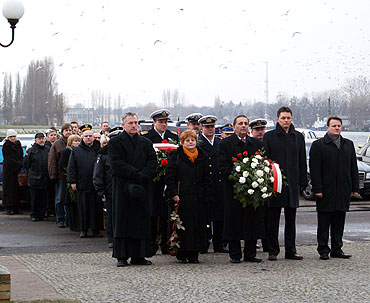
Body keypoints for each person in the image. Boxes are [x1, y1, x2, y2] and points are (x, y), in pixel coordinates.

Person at [108, 112, 157, 267]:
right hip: (123, 187)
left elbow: (152, 162)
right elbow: (116, 163)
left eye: (136, 122)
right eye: (130, 123)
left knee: (141, 221)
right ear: (124, 125)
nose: (134, 126)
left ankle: (139, 255)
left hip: (141, 186)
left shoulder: (145, 142)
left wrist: (143, 175)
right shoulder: (115, 142)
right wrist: (135, 173)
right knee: (122, 221)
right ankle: (122, 255)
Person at [309, 116, 359, 260]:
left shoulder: (348, 144)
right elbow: (315, 169)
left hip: (343, 190)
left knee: (339, 221)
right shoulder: (318, 145)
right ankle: (323, 249)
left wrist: (355, 187)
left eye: (339, 126)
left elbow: (353, 168)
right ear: (328, 127)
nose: (337, 128)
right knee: (324, 222)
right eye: (334, 126)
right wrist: (317, 189)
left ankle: (337, 249)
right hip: (325, 190)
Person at [218, 115, 266, 263]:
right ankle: (235, 254)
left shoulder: (255, 144)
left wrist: (255, 180)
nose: (243, 126)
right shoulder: (225, 144)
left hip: (252, 190)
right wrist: (238, 178)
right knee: (234, 221)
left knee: (252, 221)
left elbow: (262, 164)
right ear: (234, 127)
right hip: (233, 189)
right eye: (240, 123)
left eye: (245, 123)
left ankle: (250, 254)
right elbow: (223, 165)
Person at [263, 107, 307, 261]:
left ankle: (291, 250)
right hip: (275, 183)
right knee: (273, 220)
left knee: (291, 219)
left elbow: (302, 161)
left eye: (288, 118)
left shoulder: (298, 137)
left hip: (293, 184)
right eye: (283, 118)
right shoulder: (269, 137)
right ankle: (273, 250)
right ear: (277, 119)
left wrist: (303, 182)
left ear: (292, 118)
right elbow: (265, 160)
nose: (286, 121)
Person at [165, 129, 211, 263]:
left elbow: (207, 177)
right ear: (182, 142)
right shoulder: (176, 156)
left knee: (197, 226)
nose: (190, 143)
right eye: (187, 140)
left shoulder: (202, 156)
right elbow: (170, 176)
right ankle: (182, 252)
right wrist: (173, 193)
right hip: (182, 197)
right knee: (183, 226)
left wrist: (207, 194)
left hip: (198, 197)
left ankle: (194, 253)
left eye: (192, 140)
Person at [141, 109, 179, 255]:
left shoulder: (172, 137)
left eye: (165, 122)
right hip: (153, 180)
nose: (164, 124)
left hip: (168, 180)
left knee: (166, 213)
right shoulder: (147, 137)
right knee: (152, 212)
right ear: (154, 123)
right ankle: (151, 243)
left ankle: (165, 243)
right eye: (161, 122)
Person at [198, 115, 228, 253]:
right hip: (204, 184)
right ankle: (203, 243)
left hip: (218, 183)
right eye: (207, 127)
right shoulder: (198, 143)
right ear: (202, 128)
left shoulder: (219, 143)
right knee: (205, 216)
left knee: (219, 215)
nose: (210, 130)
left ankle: (219, 243)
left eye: (212, 127)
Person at [68, 124, 103, 238]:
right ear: (82, 137)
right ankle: (83, 229)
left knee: (96, 208)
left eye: (90, 136)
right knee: (83, 208)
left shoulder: (98, 150)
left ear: (93, 137)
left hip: (96, 185)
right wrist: (72, 181)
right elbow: (71, 167)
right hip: (82, 184)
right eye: (86, 136)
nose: (88, 138)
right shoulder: (76, 151)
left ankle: (96, 229)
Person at [48, 123, 73, 228]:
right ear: (62, 132)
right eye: (66, 130)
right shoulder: (57, 144)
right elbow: (52, 160)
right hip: (61, 176)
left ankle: (70, 219)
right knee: (60, 199)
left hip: (72, 176)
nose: (68, 132)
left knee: (70, 199)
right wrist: (54, 175)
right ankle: (60, 219)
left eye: (70, 130)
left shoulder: (75, 141)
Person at [249, 118, 268, 251]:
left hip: (266, 184)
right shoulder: (250, 144)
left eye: (262, 129)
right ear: (252, 131)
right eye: (257, 130)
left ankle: (267, 243)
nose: (260, 132)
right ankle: (253, 241)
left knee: (267, 216)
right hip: (252, 185)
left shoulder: (268, 143)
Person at [23, 133, 50, 222]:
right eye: (39, 139)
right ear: (35, 140)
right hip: (34, 178)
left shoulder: (48, 149)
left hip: (45, 178)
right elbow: (26, 164)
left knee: (44, 198)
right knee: (34, 198)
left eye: (43, 138)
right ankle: (34, 214)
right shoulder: (31, 151)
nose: (41, 140)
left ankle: (43, 214)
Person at [93, 134, 114, 248]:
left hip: (121, 191)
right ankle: (111, 238)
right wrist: (100, 190)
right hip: (109, 190)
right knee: (111, 216)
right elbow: (98, 174)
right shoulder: (103, 155)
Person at [58, 134, 81, 232]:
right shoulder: (66, 152)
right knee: (70, 202)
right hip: (69, 180)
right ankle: (71, 222)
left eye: (78, 141)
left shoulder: (80, 152)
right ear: (70, 143)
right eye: (75, 141)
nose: (77, 143)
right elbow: (61, 165)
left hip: (78, 179)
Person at [2, 129, 23, 215]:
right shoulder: (6, 146)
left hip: (17, 171)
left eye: (14, 136)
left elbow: (21, 155)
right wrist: (18, 164)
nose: (13, 138)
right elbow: (8, 159)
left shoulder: (18, 145)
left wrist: (20, 164)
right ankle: (8, 207)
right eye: (11, 137)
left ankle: (16, 207)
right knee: (9, 190)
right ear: (8, 137)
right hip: (9, 171)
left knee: (17, 190)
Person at [45, 128, 58, 217]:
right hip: (47, 174)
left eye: (54, 135)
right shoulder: (46, 147)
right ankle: (49, 209)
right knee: (48, 194)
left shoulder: (57, 145)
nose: (53, 137)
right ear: (47, 137)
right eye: (51, 135)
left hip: (56, 173)